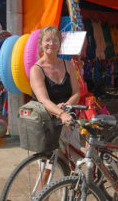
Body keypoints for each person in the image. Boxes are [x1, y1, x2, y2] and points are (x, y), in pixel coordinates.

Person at [29, 25, 80, 188]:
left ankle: (73, 194)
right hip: (47, 123)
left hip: (68, 120)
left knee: (74, 162)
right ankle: (43, 198)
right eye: (47, 40)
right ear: (41, 44)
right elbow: (43, 100)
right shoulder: (36, 70)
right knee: (46, 168)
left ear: (60, 43)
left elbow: (76, 92)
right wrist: (60, 113)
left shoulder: (68, 64)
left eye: (55, 40)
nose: (51, 43)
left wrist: (67, 106)